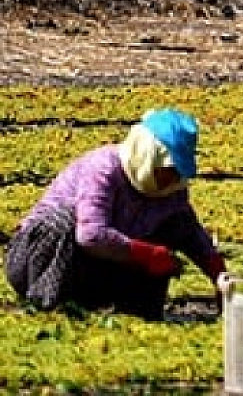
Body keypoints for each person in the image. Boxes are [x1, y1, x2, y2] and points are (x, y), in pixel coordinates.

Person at [5, 108, 227, 319]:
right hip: (39, 262)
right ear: (147, 156)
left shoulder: (172, 189)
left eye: (177, 173)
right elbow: (90, 235)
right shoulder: (104, 168)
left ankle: (139, 313)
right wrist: (148, 255)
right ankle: (49, 306)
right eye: (167, 171)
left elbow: (190, 233)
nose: (172, 179)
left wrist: (219, 275)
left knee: (170, 227)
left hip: (100, 268)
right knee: (64, 223)